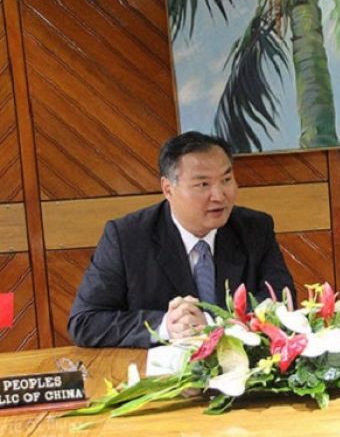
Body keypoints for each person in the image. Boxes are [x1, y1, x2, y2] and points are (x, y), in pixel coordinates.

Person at [68, 132, 296, 347]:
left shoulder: (255, 228)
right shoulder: (127, 237)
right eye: (202, 184)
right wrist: (166, 326)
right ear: (168, 189)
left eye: (226, 179)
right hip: (160, 374)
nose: (219, 195)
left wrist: (212, 323)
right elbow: (85, 321)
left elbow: (282, 302)